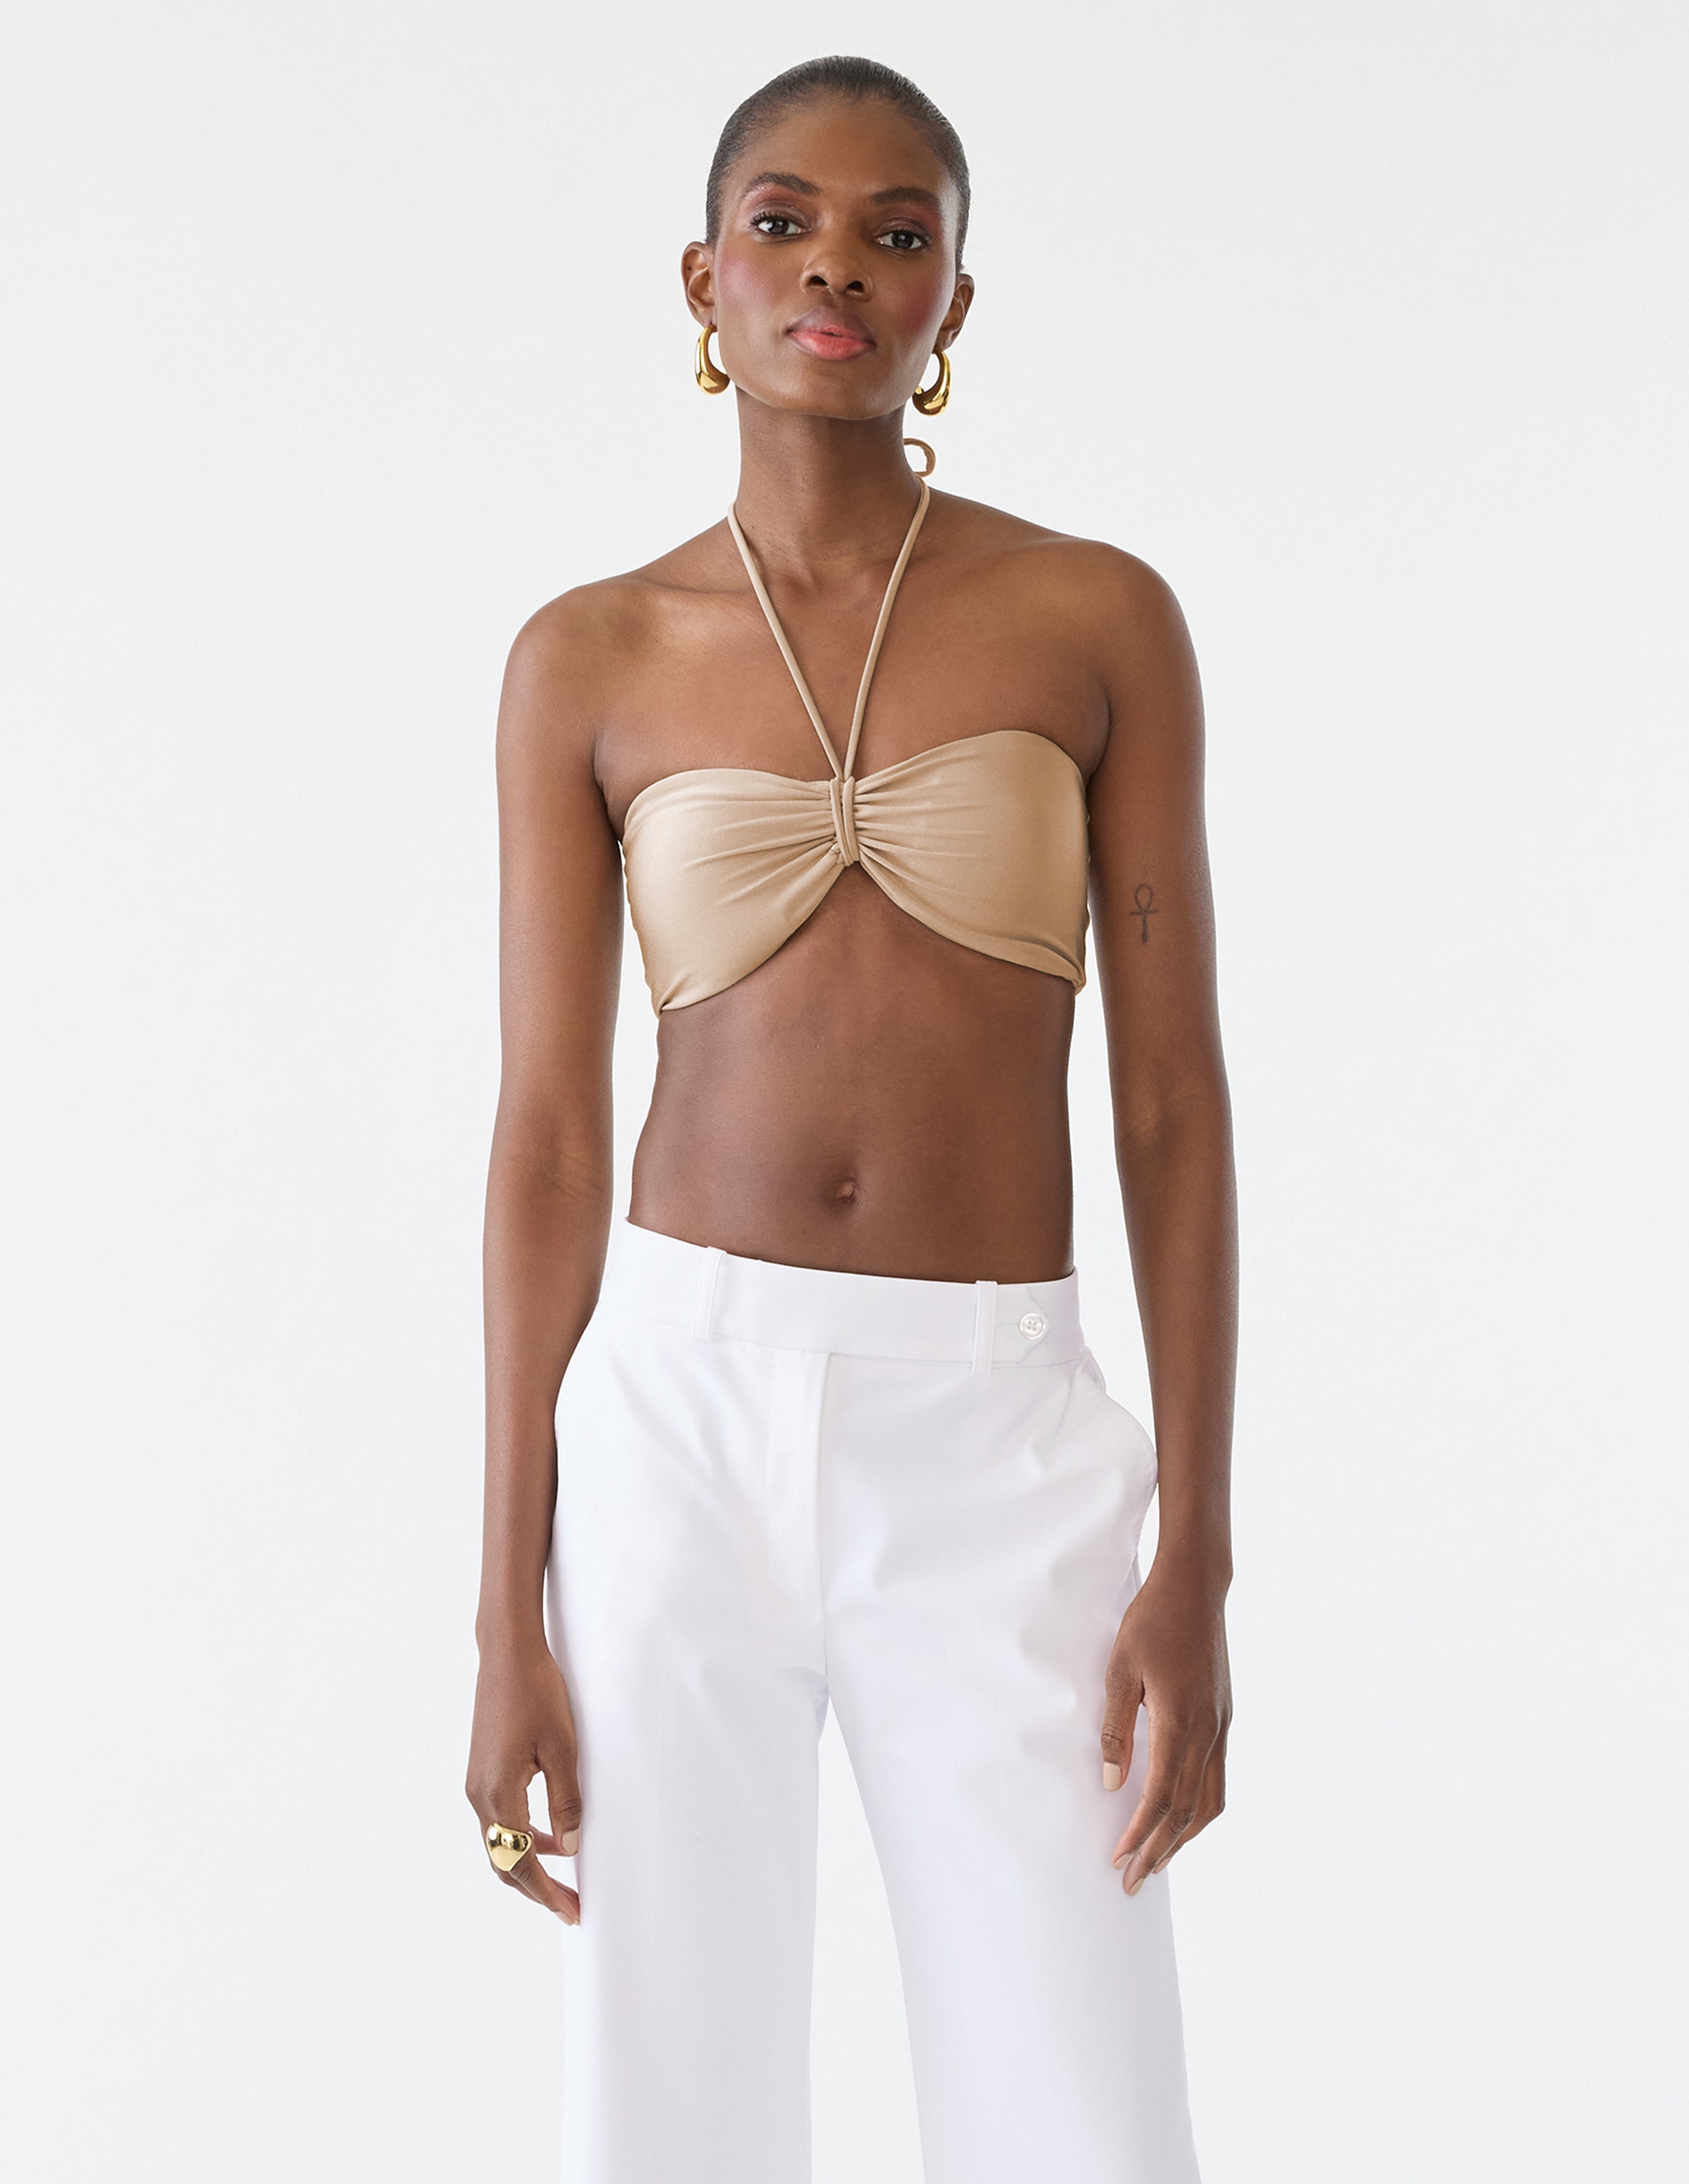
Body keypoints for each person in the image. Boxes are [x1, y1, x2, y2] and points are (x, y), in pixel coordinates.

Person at [466, 53, 1235, 2184]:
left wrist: (1197, 1556)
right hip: (677, 1418)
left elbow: (1173, 1106)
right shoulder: (588, 658)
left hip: (997, 1421)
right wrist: (505, 1605)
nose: (837, 269)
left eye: (899, 236)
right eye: (785, 224)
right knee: (673, 2104)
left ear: (953, 303)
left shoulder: (1095, 623)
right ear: (703, 279)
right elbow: (547, 1138)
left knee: (1082, 2107)